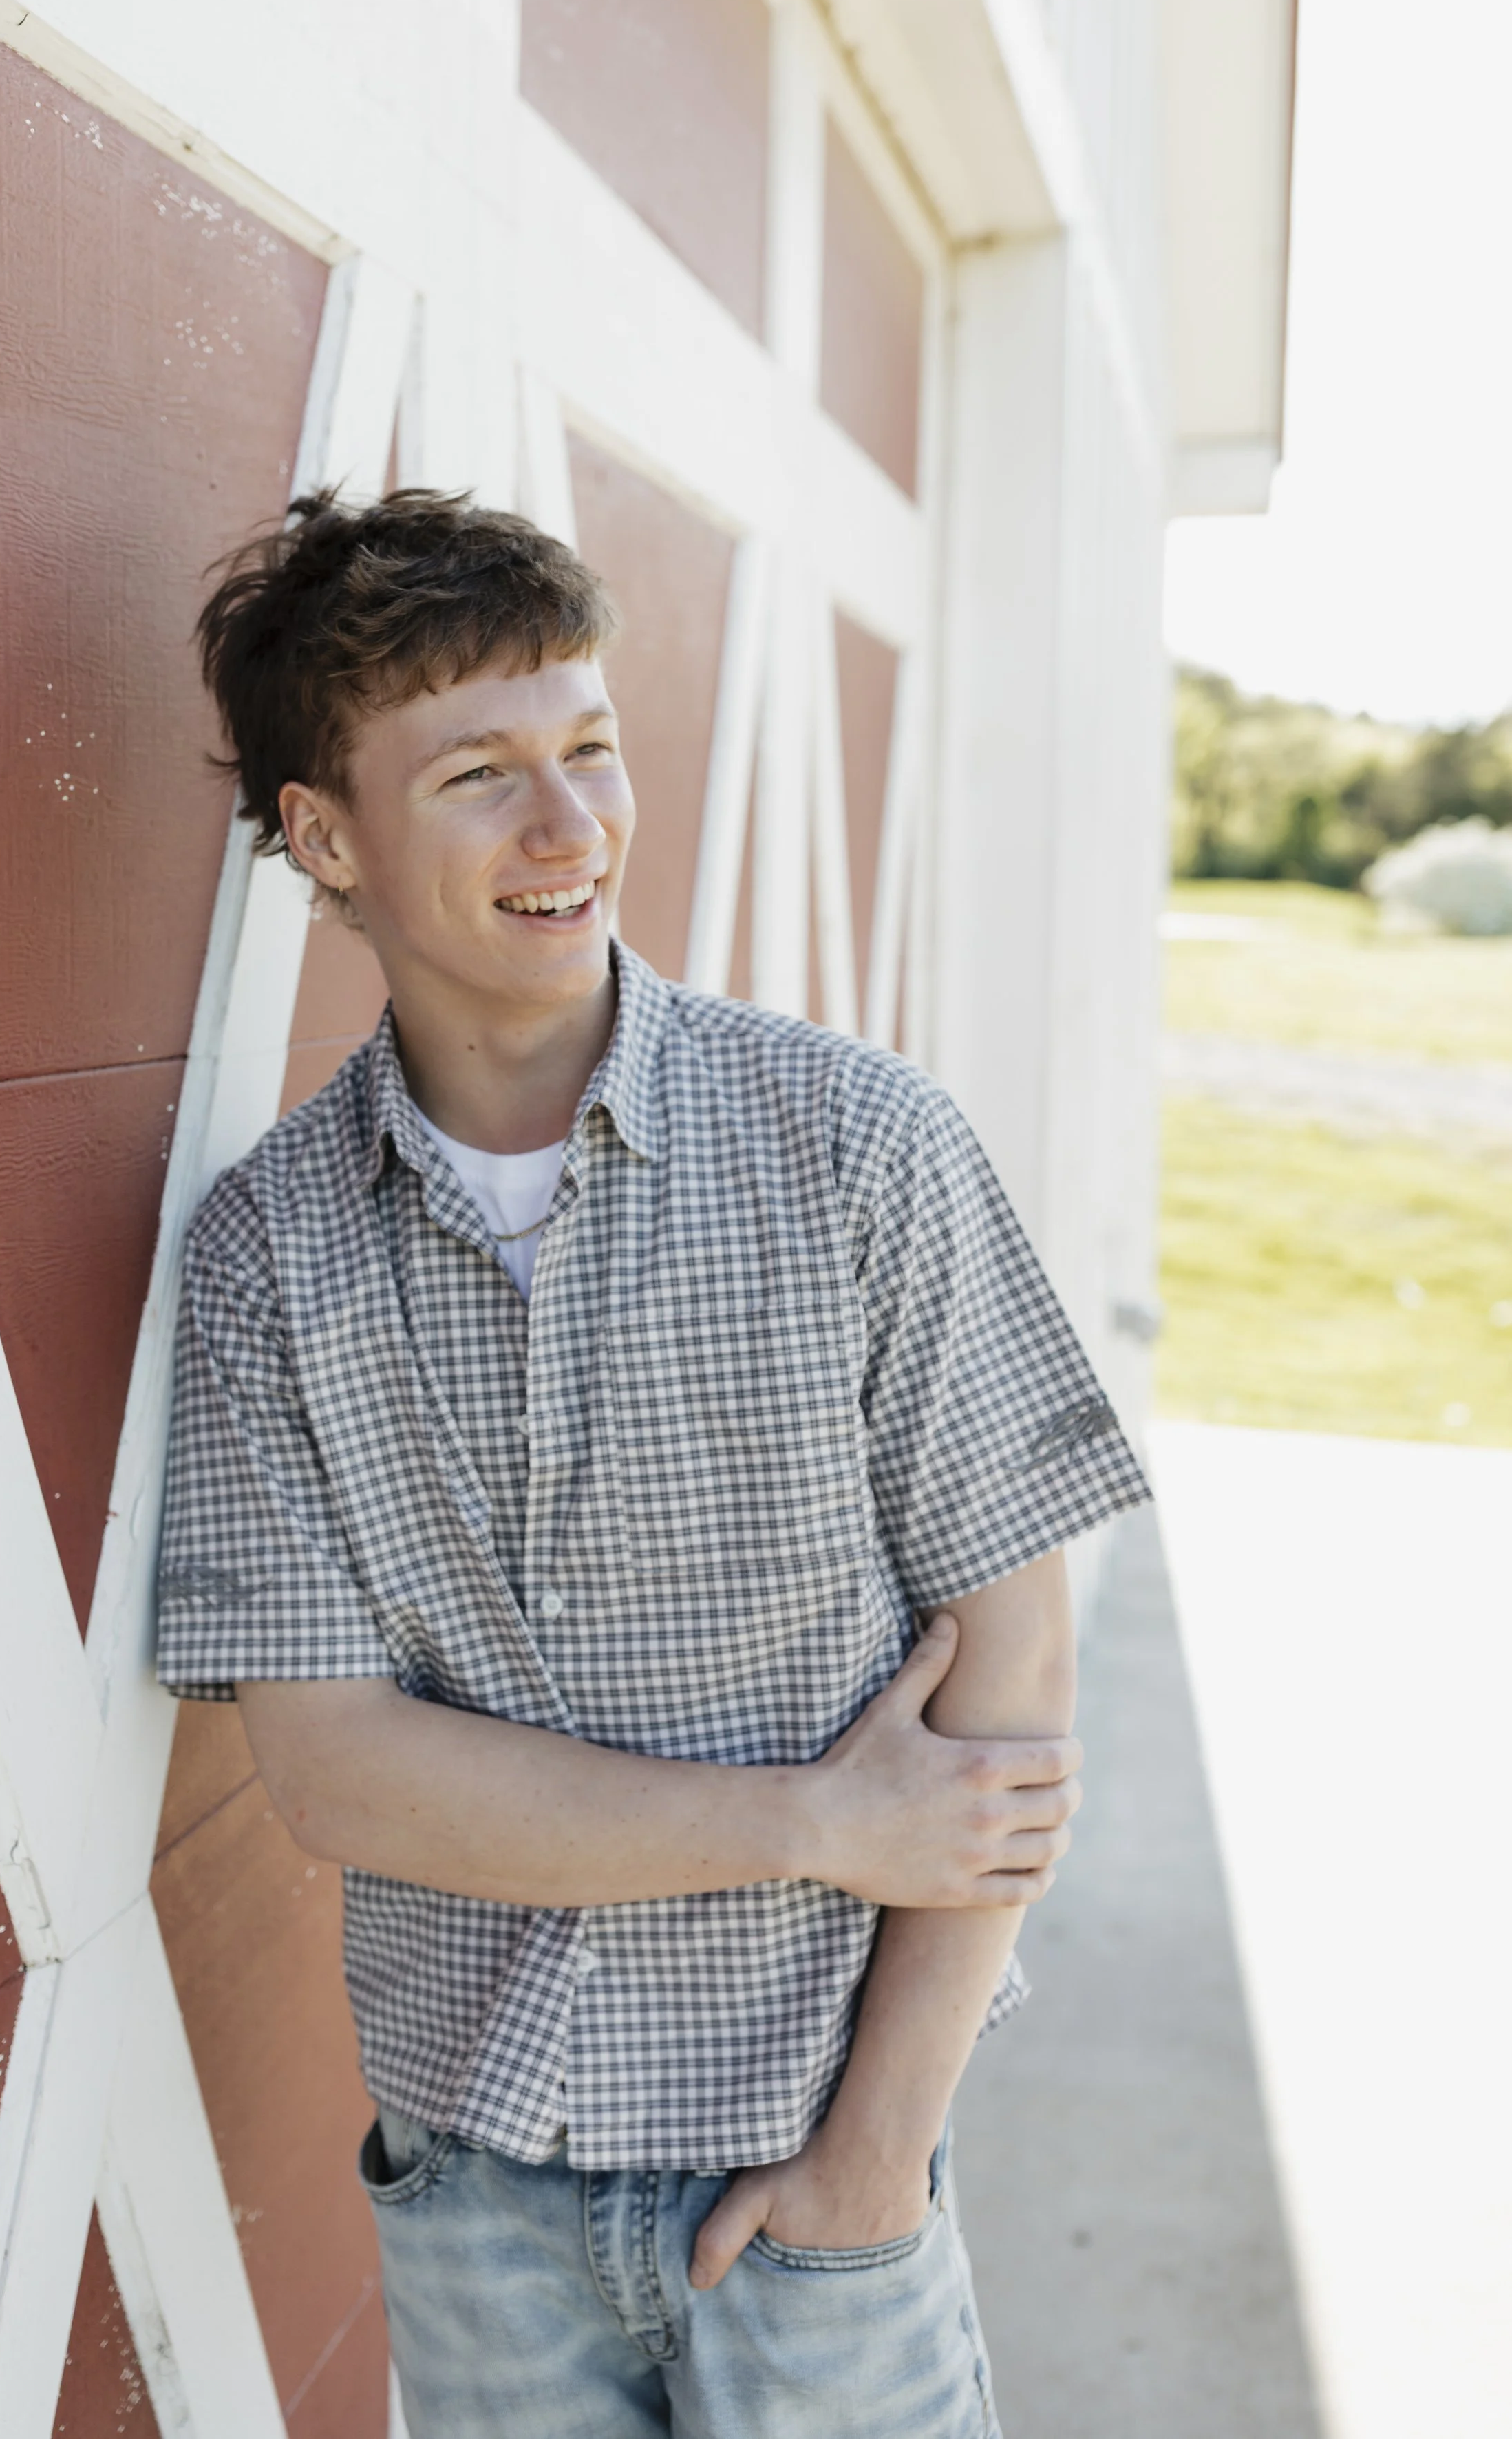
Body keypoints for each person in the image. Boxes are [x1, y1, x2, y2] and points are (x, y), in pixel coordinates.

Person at [158, 488, 1151, 2438]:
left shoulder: (859, 1149)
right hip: (474, 2196)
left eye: (589, 748)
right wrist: (811, 1817)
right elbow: (338, 1772)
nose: (571, 826)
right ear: (327, 837)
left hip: (818, 2175)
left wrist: (872, 2164)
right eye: (480, 774)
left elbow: (1011, 1698)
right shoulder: (272, 1249)